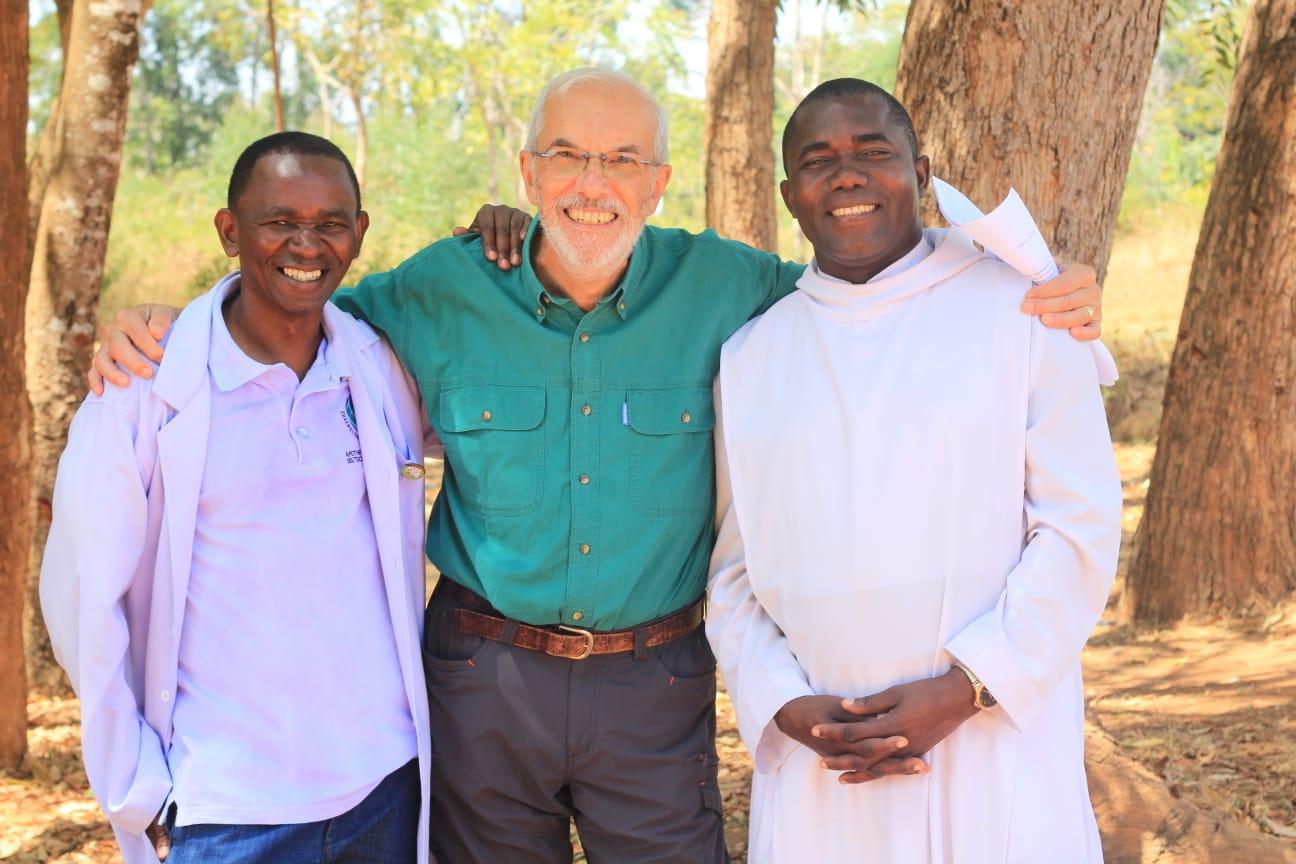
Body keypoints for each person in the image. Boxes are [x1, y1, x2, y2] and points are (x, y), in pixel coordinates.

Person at [88, 69, 1108, 863]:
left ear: (658, 184)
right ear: (526, 175)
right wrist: (161, 331)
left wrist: (1043, 285)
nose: (593, 184)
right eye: (568, 157)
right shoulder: (438, 291)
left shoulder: (737, 291)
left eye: (623, 161)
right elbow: (290, 297)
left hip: (651, 687)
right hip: (483, 679)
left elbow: (873, 284)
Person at [706, 78, 1122, 863]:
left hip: (994, 736)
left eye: (874, 152)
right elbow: (733, 572)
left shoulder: (1025, 311)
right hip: (825, 762)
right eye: (819, 159)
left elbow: (1080, 526)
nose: (849, 174)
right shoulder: (752, 356)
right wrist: (787, 706)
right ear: (790, 194)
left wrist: (970, 687)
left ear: (922, 173)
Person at [41, 132, 432, 864]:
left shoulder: (376, 367)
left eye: (330, 223)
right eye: (280, 220)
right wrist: (134, 789)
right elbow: (81, 599)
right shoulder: (145, 390)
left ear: (359, 233)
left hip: (384, 784)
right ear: (230, 231)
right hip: (226, 809)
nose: (306, 245)